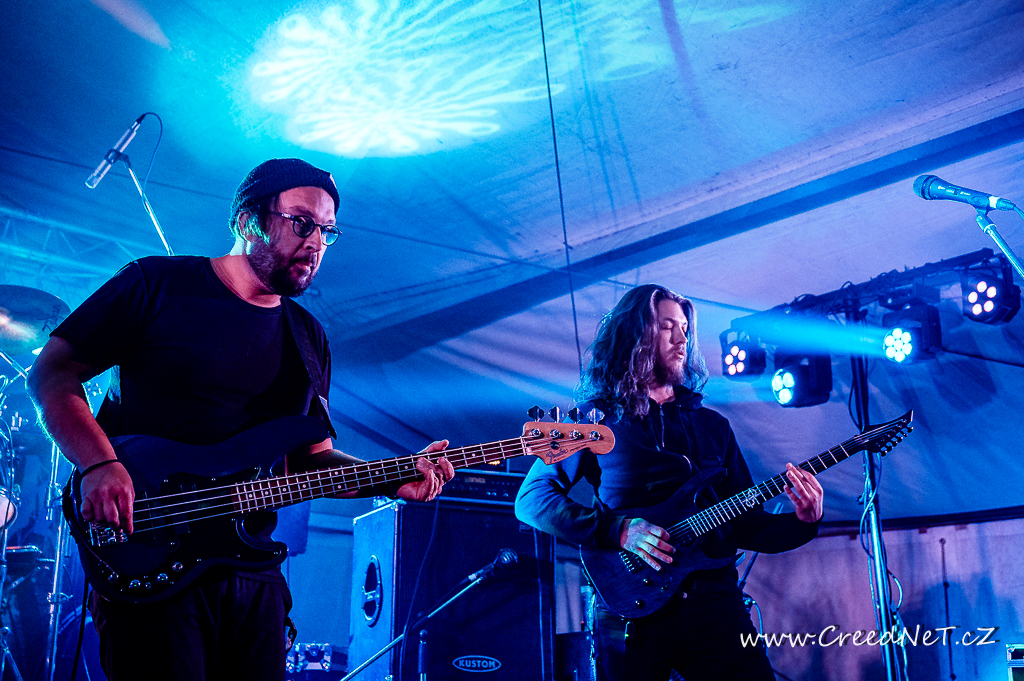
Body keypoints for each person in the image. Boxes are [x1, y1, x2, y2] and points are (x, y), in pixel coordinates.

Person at [27, 158, 455, 681]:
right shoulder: (158, 283)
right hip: (149, 552)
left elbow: (311, 460)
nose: (316, 243)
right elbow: (52, 374)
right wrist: (99, 463)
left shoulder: (308, 337)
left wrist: (393, 477)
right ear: (249, 221)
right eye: (302, 223)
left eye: (327, 231)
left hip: (251, 568)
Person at [515, 284, 823, 681]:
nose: (681, 338)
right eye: (667, 327)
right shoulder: (594, 420)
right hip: (632, 605)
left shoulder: (713, 426)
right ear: (635, 334)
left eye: (684, 328)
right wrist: (618, 530)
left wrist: (804, 521)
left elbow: (747, 524)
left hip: (715, 600)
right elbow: (532, 498)